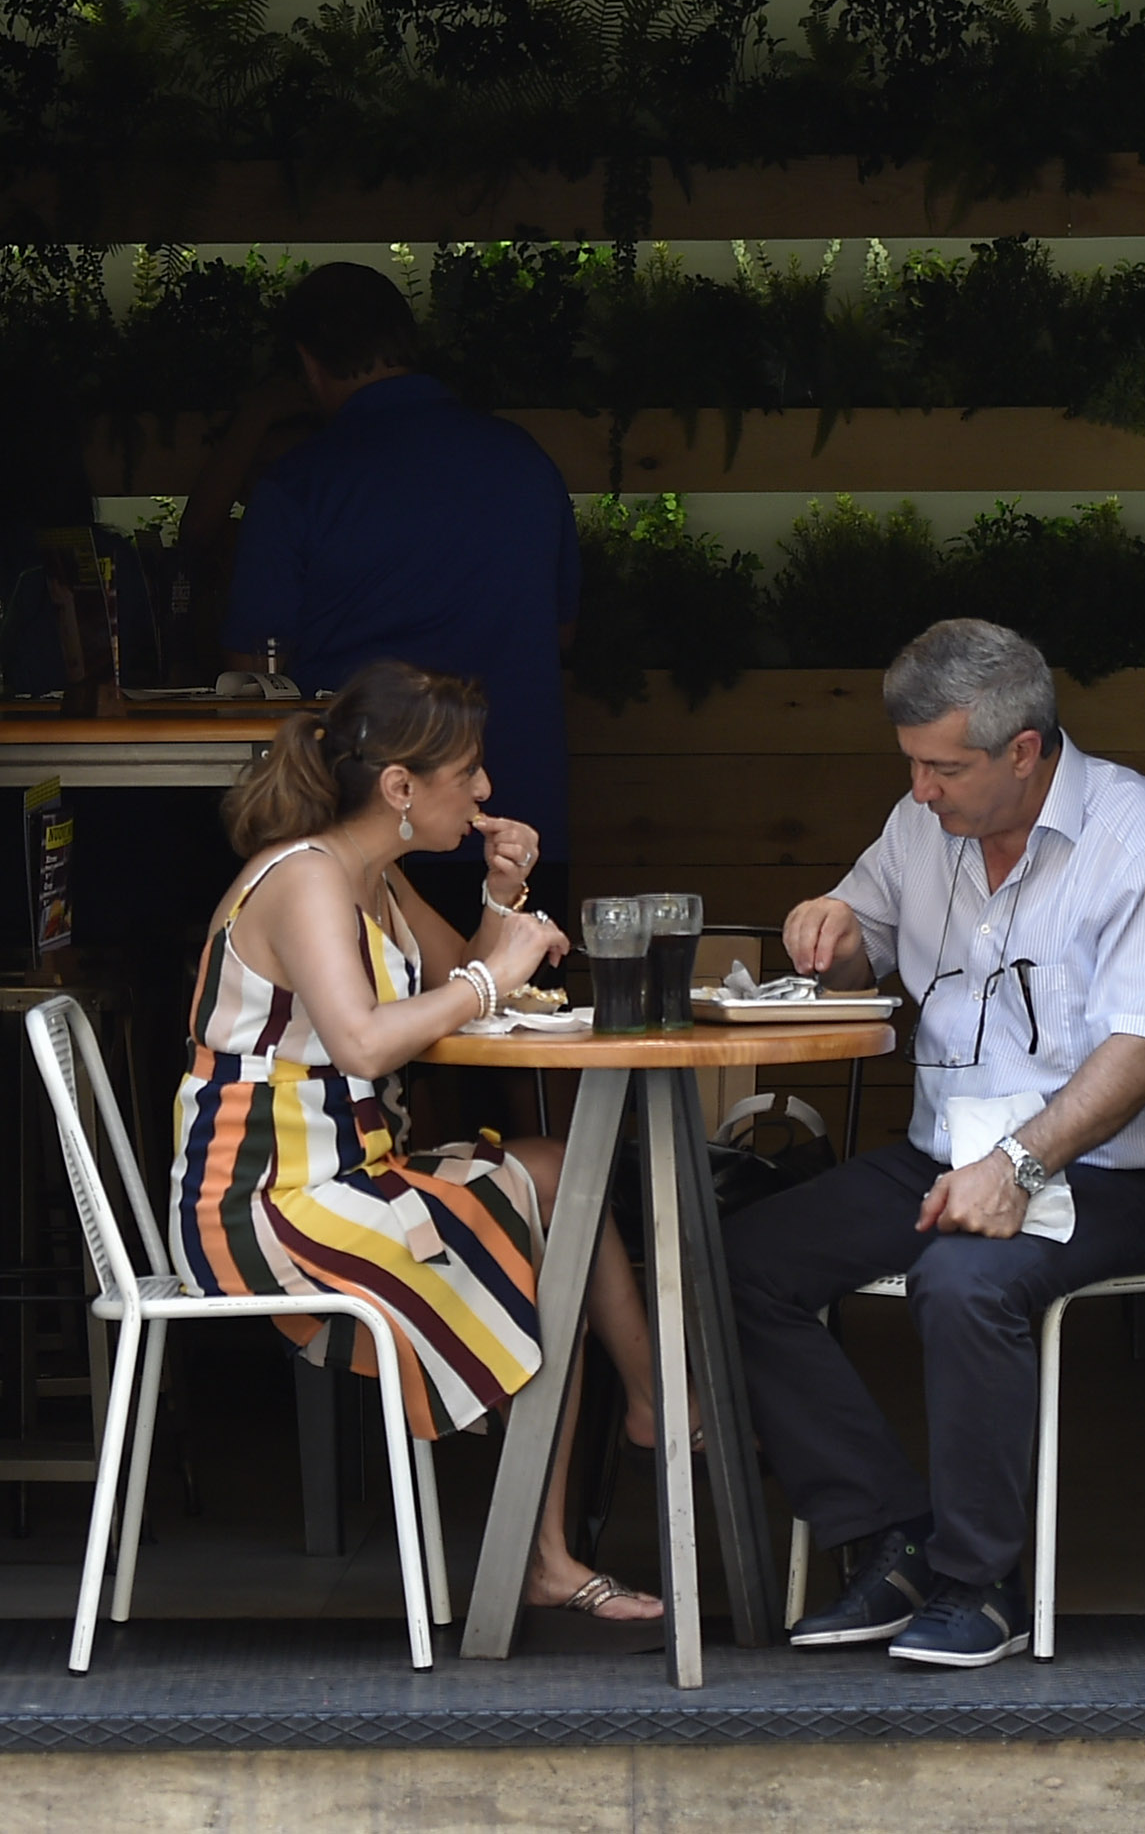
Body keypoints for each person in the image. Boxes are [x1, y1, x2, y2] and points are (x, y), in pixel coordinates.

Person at [726, 618, 1145, 1670]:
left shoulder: (1142, 833)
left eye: (943, 767)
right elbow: (856, 947)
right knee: (746, 1260)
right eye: (910, 764)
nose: (920, 790)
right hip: (941, 1150)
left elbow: (1142, 1051)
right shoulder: (919, 825)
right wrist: (833, 932)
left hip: (1101, 1170)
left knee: (962, 1282)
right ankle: (892, 1532)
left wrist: (1020, 1165)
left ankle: (979, 1580)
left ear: (1024, 750)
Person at [170, 658, 670, 1632]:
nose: (485, 791)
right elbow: (368, 1036)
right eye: (468, 772)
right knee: (520, 1246)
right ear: (400, 787)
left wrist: (502, 893)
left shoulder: (375, 879)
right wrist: (496, 977)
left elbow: (470, 977)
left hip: (350, 1173)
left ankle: (652, 1401)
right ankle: (553, 1548)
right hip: (268, 1203)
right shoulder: (307, 879)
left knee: (556, 1173)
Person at [200, 263, 582, 929]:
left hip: (360, 826)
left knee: (362, 1026)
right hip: (515, 819)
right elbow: (563, 633)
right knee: (522, 1019)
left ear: (308, 365)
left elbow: (247, 671)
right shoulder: (525, 462)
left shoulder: (300, 483)